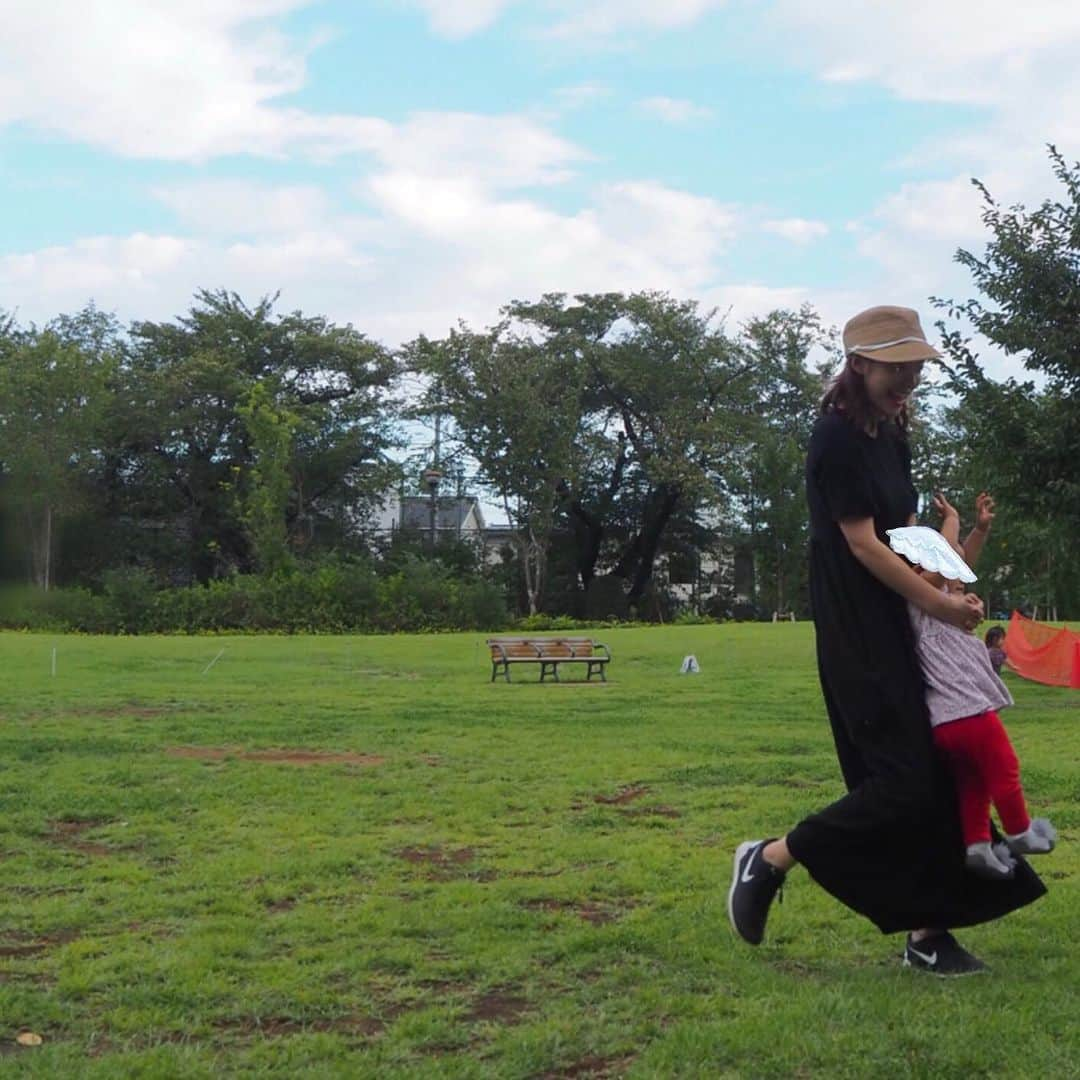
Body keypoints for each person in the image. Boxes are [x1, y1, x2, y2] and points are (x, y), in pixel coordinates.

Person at [727, 305, 1045, 976]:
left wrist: (950, 584)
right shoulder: (834, 439)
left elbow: (904, 529)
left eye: (914, 368)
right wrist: (937, 601)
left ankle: (929, 933)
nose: (907, 379)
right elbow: (863, 543)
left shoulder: (891, 431)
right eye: (895, 367)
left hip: (904, 617)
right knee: (900, 780)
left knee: (936, 773)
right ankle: (770, 857)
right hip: (858, 624)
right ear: (860, 364)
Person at [906, 492, 1055, 880]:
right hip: (967, 712)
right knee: (1004, 767)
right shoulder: (918, 599)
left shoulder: (938, 600)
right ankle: (1021, 832)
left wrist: (980, 530)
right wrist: (953, 518)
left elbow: (960, 562)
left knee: (974, 782)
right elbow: (948, 558)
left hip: (947, 720)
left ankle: (977, 845)